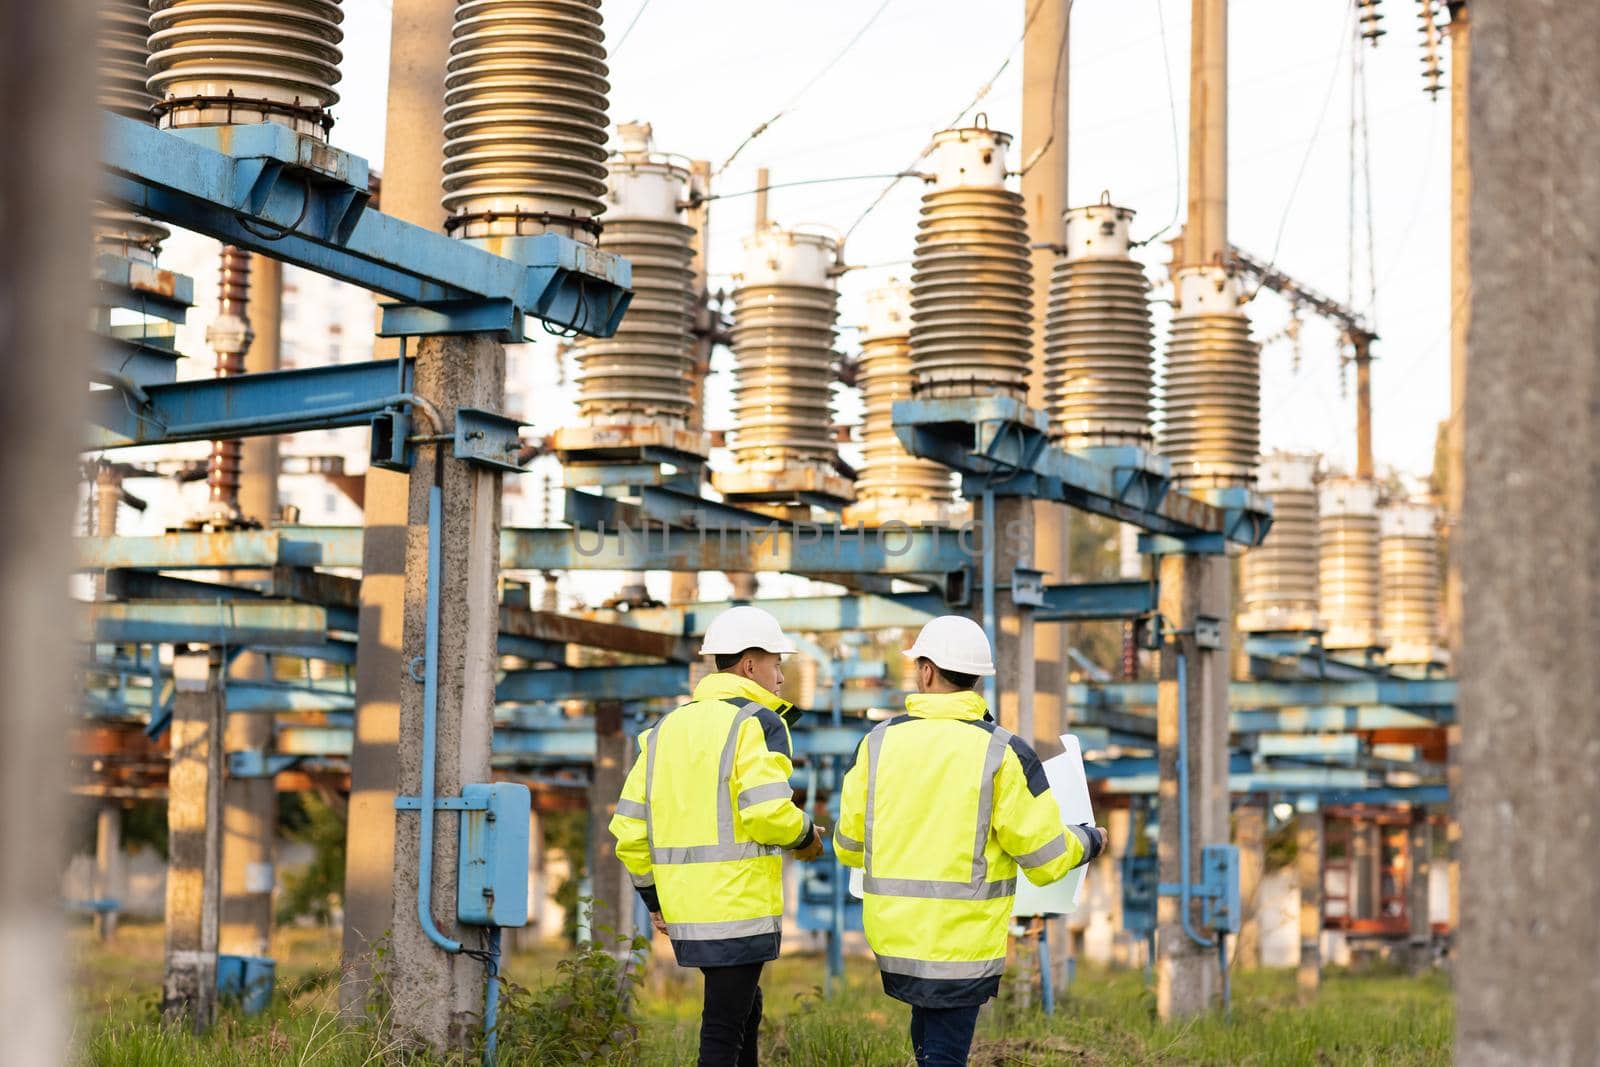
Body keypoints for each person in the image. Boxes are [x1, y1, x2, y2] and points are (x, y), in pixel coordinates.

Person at [835, 615, 1108, 1067]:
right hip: (962, 944)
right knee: (943, 1053)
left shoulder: (878, 743)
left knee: (928, 1042)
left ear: (925, 671)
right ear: (977, 679)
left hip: (896, 938)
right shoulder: (1002, 751)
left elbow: (847, 844)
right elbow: (1044, 856)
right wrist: (1089, 841)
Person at [610, 605, 827, 1067]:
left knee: (744, 1012)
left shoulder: (663, 729)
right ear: (750, 665)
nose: (781, 677)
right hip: (737, 907)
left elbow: (629, 828)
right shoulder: (758, 722)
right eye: (776, 663)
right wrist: (806, 835)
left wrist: (654, 900)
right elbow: (769, 812)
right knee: (723, 1029)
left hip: (687, 910)